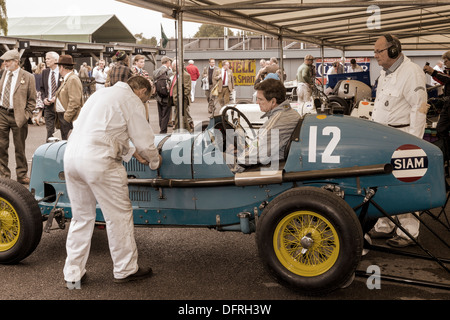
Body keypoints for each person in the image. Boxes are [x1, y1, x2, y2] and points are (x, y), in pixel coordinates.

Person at [63, 75, 162, 287]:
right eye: (146, 100)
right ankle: (125, 269)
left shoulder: (101, 94)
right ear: (142, 92)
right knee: (118, 215)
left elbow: (104, 129)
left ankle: (73, 275)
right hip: (100, 160)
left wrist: (131, 151)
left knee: (81, 218)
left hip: (72, 156)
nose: (144, 103)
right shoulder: (131, 100)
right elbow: (144, 140)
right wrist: (155, 161)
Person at [370, 34, 428, 248]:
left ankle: (409, 232)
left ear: (393, 50)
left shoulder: (411, 72)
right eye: (374, 51)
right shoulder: (385, 73)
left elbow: (419, 108)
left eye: (379, 51)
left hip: (403, 139)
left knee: (405, 184)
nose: (376, 55)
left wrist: (414, 145)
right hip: (384, 137)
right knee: (384, 184)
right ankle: (384, 225)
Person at [230, 78, 301, 173]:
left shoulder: (277, 121)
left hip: (267, 165)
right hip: (274, 158)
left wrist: (236, 165)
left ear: (273, 101)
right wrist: (247, 148)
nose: (257, 102)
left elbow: (256, 154)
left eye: (260, 99)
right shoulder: (290, 113)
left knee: (218, 158)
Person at [0, 49, 36, 184]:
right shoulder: (3, 74)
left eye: (7, 61)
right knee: (1, 146)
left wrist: (26, 115)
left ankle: (21, 175)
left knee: (19, 147)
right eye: (4, 61)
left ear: (16, 61)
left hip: (18, 116)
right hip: (2, 113)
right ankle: (4, 175)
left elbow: (32, 100)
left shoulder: (28, 77)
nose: (5, 63)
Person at [424, 51, 450, 159]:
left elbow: (447, 79)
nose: (445, 63)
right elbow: (445, 80)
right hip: (448, 105)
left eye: (446, 61)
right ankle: (447, 154)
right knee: (440, 129)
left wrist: (433, 72)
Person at [54, 55, 83, 140]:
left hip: (68, 119)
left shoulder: (72, 79)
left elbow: (74, 102)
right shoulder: (68, 79)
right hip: (64, 117)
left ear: (62, 67)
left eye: (59, 67)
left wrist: (66, 118)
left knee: (68, 143)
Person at [40, 51, 62, 141]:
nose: (46, 61)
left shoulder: (62, 72)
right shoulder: (45, 72)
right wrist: (44, 98)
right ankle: (48, 151)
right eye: (46, 59)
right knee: (49, 131)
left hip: (60, 106)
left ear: (55, 60)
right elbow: (42, 88)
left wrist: (56, 97)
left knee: (63, 130)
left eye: (48, 59)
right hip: (48, 106)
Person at [170, 60, 193, 132]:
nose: (173, 68)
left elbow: (187, 89)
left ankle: (183, 131)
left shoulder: (185, 75)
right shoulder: (176, 74)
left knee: (182, 117)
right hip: (176, 99)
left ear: (178, 66)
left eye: (173, 67)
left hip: (181, 100)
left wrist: (181, 98)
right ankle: (183, 130)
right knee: (179, 116)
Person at [153, 56, 173, 134]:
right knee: (166, 114)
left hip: (158, 96)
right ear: (168, 62)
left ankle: (161, 127)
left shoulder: (155, 71)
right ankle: (163, 130)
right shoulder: (169, 71)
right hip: (166, 96)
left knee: (160, 113)